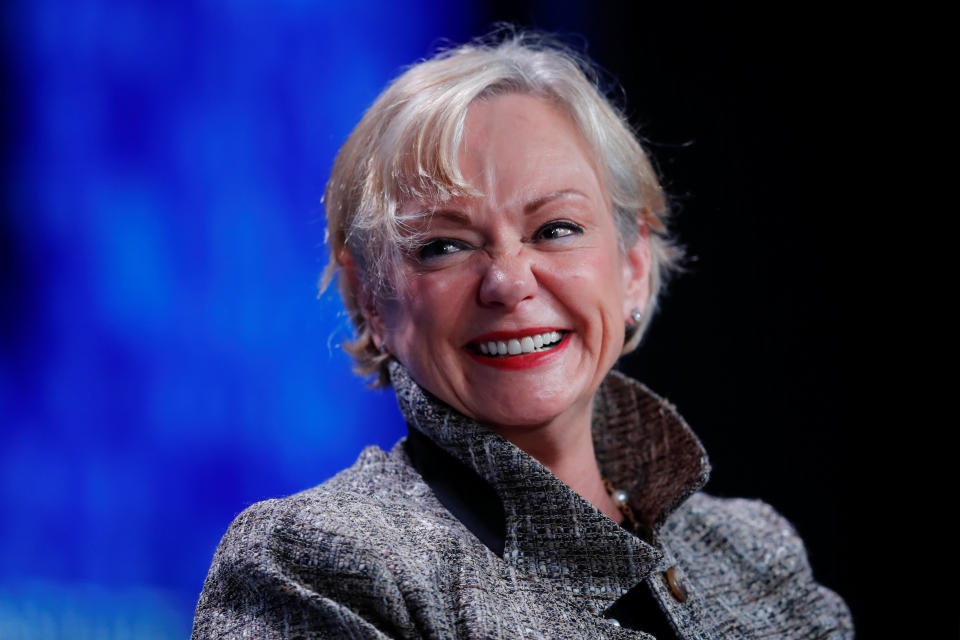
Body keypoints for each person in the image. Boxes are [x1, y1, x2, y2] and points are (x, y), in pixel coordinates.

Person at [191, 32, 852, 639]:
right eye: (444, 245)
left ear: (634, 267)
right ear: (371, 300)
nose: (508, 282)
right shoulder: (314, 560)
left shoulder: (753, 549)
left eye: (555, 229)